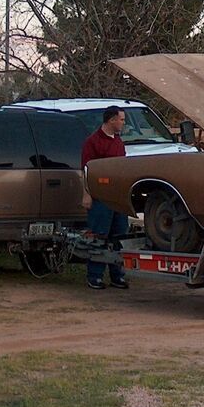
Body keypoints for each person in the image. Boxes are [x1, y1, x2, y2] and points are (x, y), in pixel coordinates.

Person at [81, 105, 129, 290]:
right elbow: (85, 170)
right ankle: (95, 275)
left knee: (119, 235)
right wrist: (86, 194)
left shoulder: (118, 142)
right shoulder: (92, 142)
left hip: (117, 198)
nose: (123, 123)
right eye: (121, 120)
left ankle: (117, 275)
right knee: (99, 235)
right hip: (100, 197)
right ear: (111, 120)